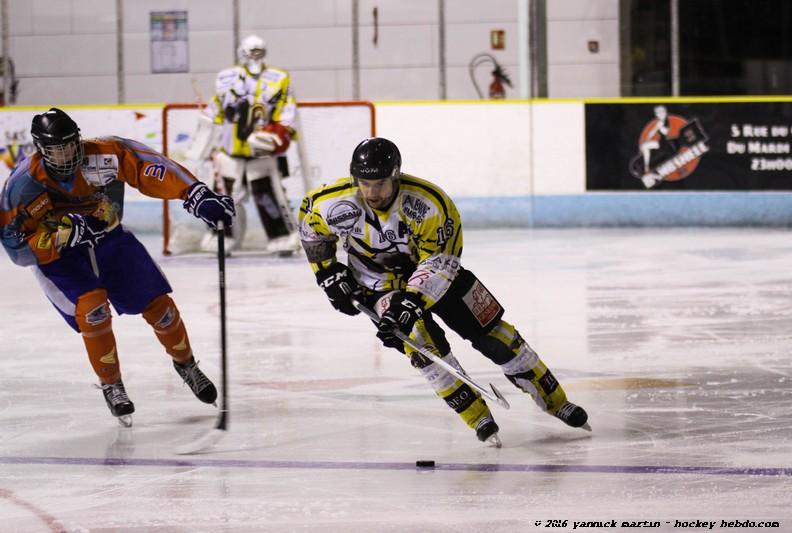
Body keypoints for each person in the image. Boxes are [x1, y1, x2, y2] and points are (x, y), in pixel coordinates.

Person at [298, 137, 589, 446]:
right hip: (379, 284)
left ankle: (556, 401)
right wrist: (327, 273)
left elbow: (441, 261)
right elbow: (310, 227)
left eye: (380, 183)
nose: (372, 192)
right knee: (422, 345)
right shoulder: (331, 202)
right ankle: (477, 416)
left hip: (439, 277)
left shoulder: (427, 203)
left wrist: (411, 301)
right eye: (365, 183)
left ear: (395, 176)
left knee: (497, 336)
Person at [0, 108, 235, 426]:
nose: (67, 153)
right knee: (92, 309)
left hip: (108, 238)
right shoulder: (22, 186)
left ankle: (186, 364)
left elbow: (147, 165)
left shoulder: (103, 154)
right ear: (41, 149)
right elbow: (16, 248)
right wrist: (60, 237)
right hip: (60, 256)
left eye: (71, 144)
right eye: (57, 149)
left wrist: (194, 193)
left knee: (160, 306)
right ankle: (112, 384)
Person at [185, 34, 299, 255]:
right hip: (230, 152)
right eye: (250, 51)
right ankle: (222, 237)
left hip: (261, 153)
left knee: (267, 196)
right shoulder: (226, 78)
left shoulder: (279, 78)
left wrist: (278, 136)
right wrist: (201, 143)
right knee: (222, 197)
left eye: (258, 51)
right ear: (242, 53)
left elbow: (286, 114)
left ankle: (281, 237)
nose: (254, 56)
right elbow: (215, 112)